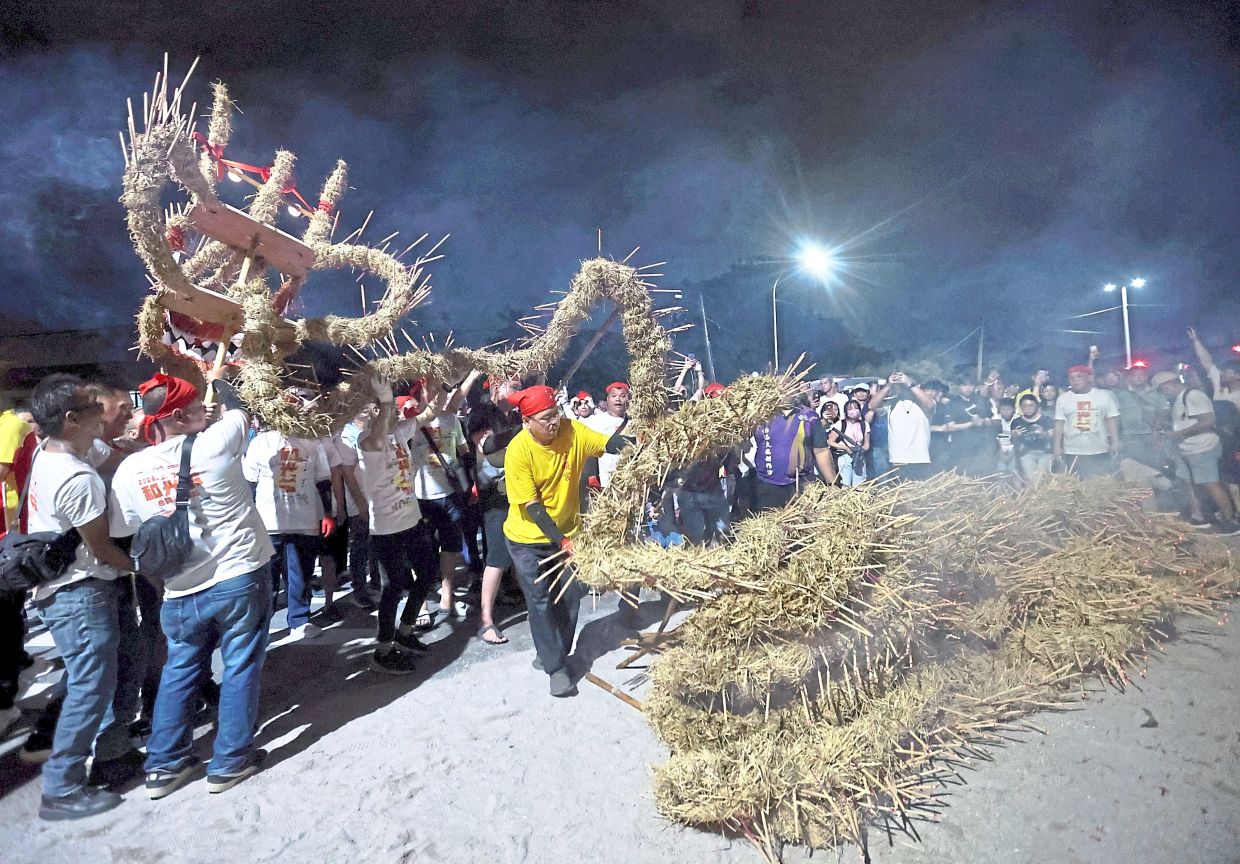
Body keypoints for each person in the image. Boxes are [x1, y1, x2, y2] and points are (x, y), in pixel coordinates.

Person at [110, 372, 275, 799]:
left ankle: (164, 766)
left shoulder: (130, 469)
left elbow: (127, 528)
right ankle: (230, 761)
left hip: (179, 587)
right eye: (198, 406)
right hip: (239, 575)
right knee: (239, 666)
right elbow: (239, 406)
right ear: (181, 414)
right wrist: (219, 381)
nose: (207, 410)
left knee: (180, 670)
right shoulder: (214, 442)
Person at [24, 374, 143, 820]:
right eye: (91, 406)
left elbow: (110, 455)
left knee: (125, 662)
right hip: (80, 592)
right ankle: (61, 787)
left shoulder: (57, 451)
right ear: (72, 419)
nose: (103, 410)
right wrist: (146, 567)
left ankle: (114, 753)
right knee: (90, 687)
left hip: (92, 587)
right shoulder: (75, 478)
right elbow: (102, 548)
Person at [502, 385, 630, 697]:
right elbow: (532, 508)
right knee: (541, 600)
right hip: (527, 540)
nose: (553, 422)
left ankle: (552, 650)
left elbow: (608, 443)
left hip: (569, 532)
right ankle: (555, 667)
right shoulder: (518, 451)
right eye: (545, 418)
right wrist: (561, 541)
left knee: (573, 594)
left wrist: (640, 442)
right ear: (526, 422)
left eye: (555, 415)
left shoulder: (572, 430)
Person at [355, 374, 442, 674]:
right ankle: (383, 650)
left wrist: (438, 386)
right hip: (386, 528)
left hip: (412, 520)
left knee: (429, 573)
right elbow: (378, 437)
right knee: (393, 587)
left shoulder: (399, 434)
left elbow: (432, 413)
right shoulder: (366, 441)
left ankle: (405, 632)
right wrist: (386, 400)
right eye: (384, 409)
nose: (393, 413)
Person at [242, 420, 337, 638]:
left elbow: (323, 481)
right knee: (267, 578)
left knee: (301, 573)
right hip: (268, 521)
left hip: (305, 518)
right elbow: (250, 483)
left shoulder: (313, 442)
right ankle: (261, 625)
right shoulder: (261, 442)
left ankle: (300, 620)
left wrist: (328, 513)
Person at [404, 379, 473, 625]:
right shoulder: (409, 422)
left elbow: (464, 452)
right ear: (420, 392)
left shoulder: (451, 419)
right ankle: (421, 604)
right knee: (421, 552)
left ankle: (447, 596)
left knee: (451, 546)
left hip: (449, 493)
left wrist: (470, 479)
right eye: (430, 388)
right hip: (420, 496)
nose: (436, 393)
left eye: (438, 388)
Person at [467, 374, 525, 645]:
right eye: (513, 385)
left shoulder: (515, 416)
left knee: (521, 548)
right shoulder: (481, 413)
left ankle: (522, 596)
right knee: (497, 555)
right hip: (495, 495)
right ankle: (486, 619)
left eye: (520, 386)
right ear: (496, 387)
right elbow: (486, 447)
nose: (518, 390)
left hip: (517, 491)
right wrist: (521, 430)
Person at [1152, 371, 1239, 534]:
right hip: (1187, 448)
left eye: (1161, 390)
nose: (1162, 394)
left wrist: (1179, 434)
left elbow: (1208, 421)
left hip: (1202, 447)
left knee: (1210, 483)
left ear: (1168, 385)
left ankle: (1230, 522)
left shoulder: (1193, 396)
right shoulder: (1179, 399)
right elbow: (1185, 423)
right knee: (1189, 482)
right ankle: (1199, 517)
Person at [750, 391, 837, 508]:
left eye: (788, 389)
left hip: (802, 484)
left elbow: (821, 450)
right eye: (780, 389)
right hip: (768, 483)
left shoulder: (809, 416)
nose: (784, 393)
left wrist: (832, 483)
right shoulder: (760, 416)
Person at [1053, 365, 1120, 478]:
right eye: (1071, 378)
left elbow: (1111, 419)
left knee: (1100, 483)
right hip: (1073, 450)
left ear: (1089, 378)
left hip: (1099, 449)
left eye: (1079, 376)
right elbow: (1059, 423)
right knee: (1076, 485)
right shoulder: (1063, 399)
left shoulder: (1104, 396)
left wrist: (1115, 442)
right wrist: (1057, 446)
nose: (1075, 380)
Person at [871, 372, 937, 481]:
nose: (904, 387)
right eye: (901, 385)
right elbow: (872, 405)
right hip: (897, 460)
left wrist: (909, 383)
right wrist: (889, 385)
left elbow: (930, 404)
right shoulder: (891, 403)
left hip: (919, 459)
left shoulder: (925, 403)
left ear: (918, 386)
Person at [581, 381, 630, 490]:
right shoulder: (595, 421)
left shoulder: (635, 423)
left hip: (629, 482)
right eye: (614, 396)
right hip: (603, 483)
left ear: (628, 400)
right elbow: (588, 449)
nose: (618, 399)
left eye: (622, 396)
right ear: (607, 400)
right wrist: (592, 477)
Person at [1011, 394, 1054, 485]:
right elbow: (1013, 440)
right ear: (1021, 407)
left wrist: (1044, 433)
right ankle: (1034, 498)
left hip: (1045, 453)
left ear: (1037, 406)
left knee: (1043, 478)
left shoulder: (1046, 419)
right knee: (1032, 478)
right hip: (1026, 454)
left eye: (1031, 405)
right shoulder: (1016, 422)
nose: (1028, 408)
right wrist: (1015, 434)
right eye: (1025, 406)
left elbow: (1052, 436)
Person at [828, 398, 870, 487]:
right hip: (844, 457)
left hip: (859, 457)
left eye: (856, 408)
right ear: (846, 412)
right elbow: (830, 442)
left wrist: (860, 450)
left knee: (859, 485)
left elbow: (866, 445)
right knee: (846, 484)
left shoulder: (864, 424)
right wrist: (846, 448)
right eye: (850, 409)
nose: (853, 411)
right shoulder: (840, 424)